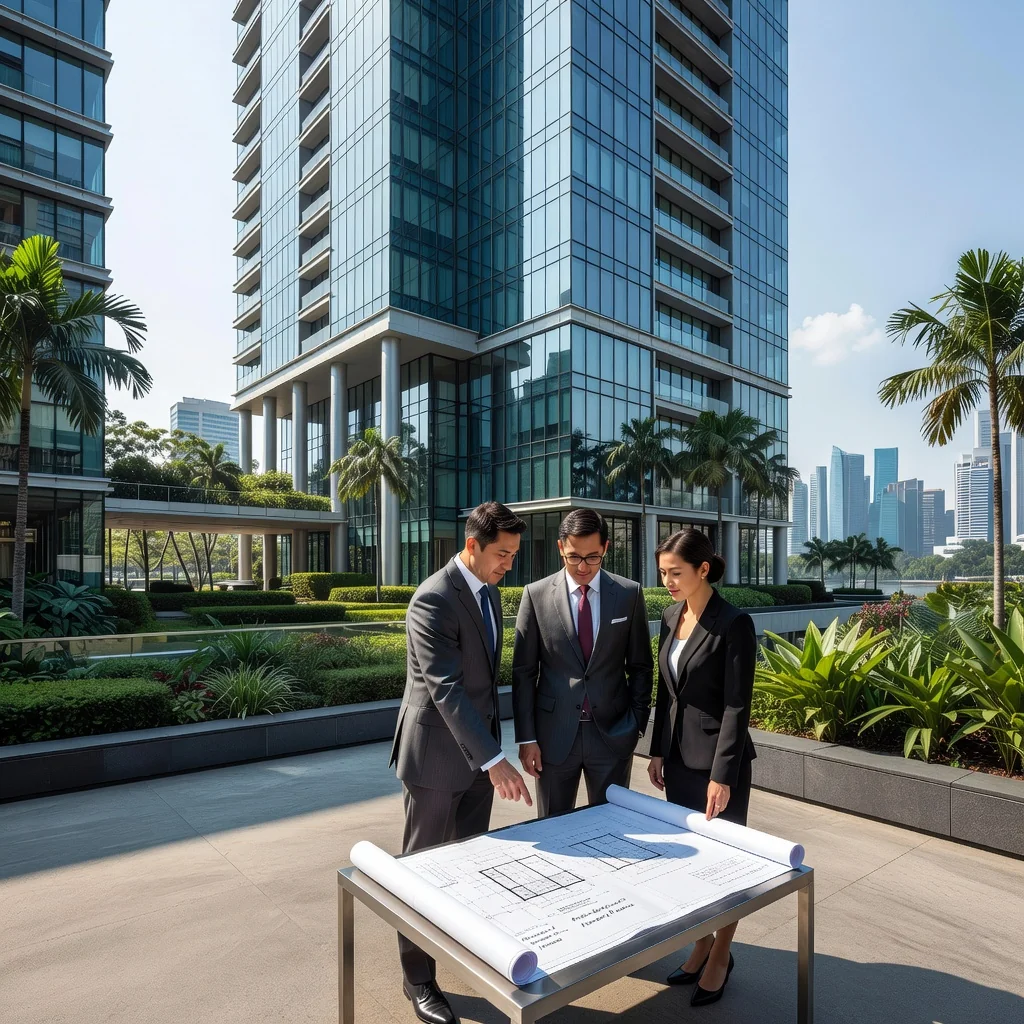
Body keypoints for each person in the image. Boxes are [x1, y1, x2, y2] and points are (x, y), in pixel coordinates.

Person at [389, 501, 533, 1024]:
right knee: (422, 871)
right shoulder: (432, 598)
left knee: (466, 867)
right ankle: (418, 980)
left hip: (476, 757)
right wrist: (495, 758)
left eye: (514, 555)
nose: (508, 565)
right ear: (472, 545)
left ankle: (455, 953)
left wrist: (492, 753)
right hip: (433, 760)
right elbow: (445, 688)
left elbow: (486, 687)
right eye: (502, 554)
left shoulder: (490, 593)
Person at [647, 528, 757, 1009]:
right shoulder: (672, 615)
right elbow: (664, 690)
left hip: (718, 767)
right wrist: (655, 750)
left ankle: (721, 955)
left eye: (676, 572)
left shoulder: (734, 623)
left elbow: (738, 705)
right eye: (663, 573)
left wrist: (723, 774)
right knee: (693, 868)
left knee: (725, 868)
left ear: (703, 569)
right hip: (677, 761)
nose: (668, 581)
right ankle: (699, 944)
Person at [512, 509, 654, 817]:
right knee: (552, 827)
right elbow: (524, 673)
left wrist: (636, 726)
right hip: (552, 739)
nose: (582, 567)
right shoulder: (535, 595)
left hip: (613, 735)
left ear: (605, 548)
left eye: (592, 557)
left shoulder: (629, 594)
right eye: (574, 556)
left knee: (612, 827)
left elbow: (641, 666)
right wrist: (527, 738)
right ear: (560, 547)